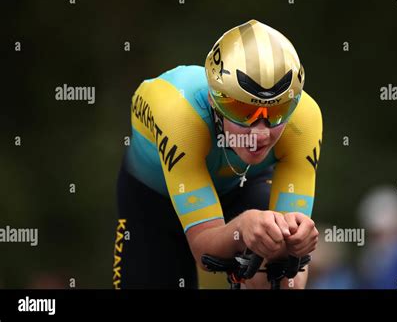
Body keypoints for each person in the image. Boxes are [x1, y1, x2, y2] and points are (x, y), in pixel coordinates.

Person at [113, 19, 323, 289]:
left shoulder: (304, 120)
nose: (260, 133)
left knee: (277, 267)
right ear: (214, 99)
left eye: (276, 112)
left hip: (244, 183)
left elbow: (292, 272)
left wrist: (296, 247)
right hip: (155, 196)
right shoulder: (181, 117)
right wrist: (243, 228)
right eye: (242, 111)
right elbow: (204, 249)